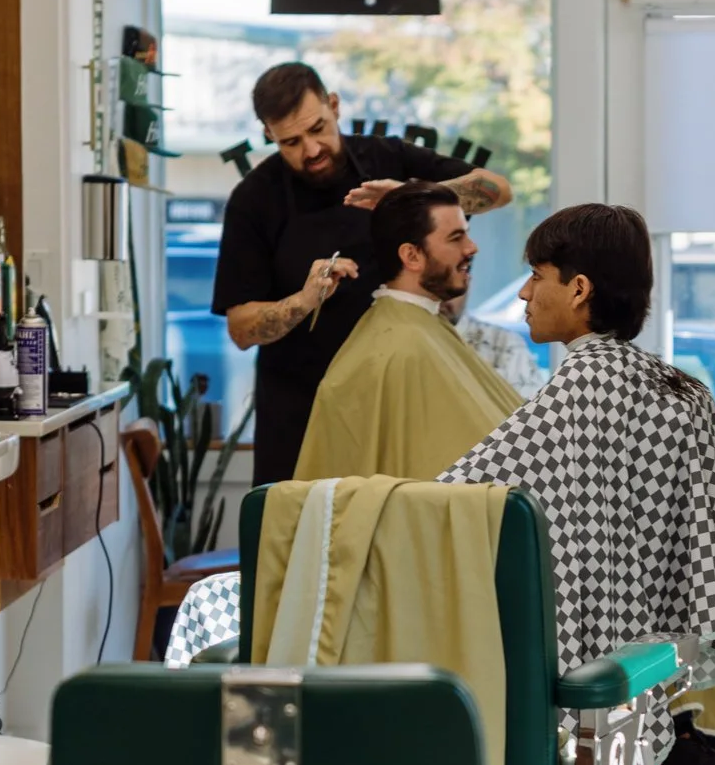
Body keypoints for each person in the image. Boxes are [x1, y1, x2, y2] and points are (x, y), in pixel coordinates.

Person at [439, 203, 715, 765]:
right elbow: (704, 546)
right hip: (652, 658)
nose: (524, 294)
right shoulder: (685, 390)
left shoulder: (582, 389)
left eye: (537, 276)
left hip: (586, 660)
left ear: (578, 289)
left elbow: (461, 495)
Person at [211, 62, 511, 485]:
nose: (311, 149)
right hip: (302, 408)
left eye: (318, 128)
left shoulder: (386, 157)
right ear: (268, 135)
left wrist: (413, 197)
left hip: (399, 398)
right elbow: (241, 329)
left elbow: (498, 190)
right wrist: (303, 300)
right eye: (291, 142)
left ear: (334, 106)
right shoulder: (254, 201)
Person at [294, 184, 522, 481]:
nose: (471, 247)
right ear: (412, 256)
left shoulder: (424, 328)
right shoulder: (396, 350)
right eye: (456, 237)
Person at [442, 286, 549, 400]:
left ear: (467, 281)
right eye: (433, 281)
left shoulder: (505, 344)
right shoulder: (421, 343)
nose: (441, 295)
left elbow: (534, 409)